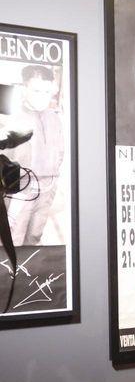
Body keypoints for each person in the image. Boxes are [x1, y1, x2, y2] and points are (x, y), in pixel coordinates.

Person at [4, 65, 65, 246]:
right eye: (37, 91)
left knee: (35, 235)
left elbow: (60, 151)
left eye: (46, 92)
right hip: (21, 190)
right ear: (24, 89)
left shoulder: (54, 118)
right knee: (14, 237)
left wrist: (52, 177)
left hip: (47, 189)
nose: (42, 97)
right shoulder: (12, 118)